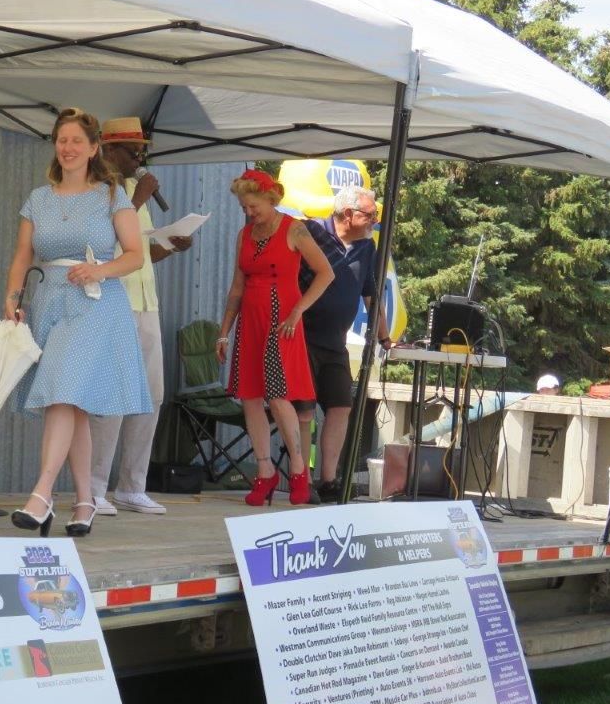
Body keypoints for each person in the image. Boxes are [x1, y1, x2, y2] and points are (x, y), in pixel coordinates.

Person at [3, 107, 152, 538]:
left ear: (92, 149)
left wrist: (99, 271)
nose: (67, 148)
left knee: (62, 393)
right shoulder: (38, 198)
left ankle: (42, 493)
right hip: (50, 300)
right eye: (61, 140)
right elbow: (21, 258)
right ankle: (85, 501)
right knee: (72, 406)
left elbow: (134, 255)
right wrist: (12, 301)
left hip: (95, 305)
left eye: (76, 141)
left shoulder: (111, 195)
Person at [88, 117, 193, 516]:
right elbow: (102, 241)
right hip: (114, 303)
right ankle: (94, 489)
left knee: (151, 396)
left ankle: (132, 486)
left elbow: (139, 253)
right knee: (111, 397)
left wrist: (171, 246)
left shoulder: (135, 191)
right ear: (109, 150)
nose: (140, 159)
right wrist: (138, 201)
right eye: (133, 152)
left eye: (142, 151)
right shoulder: (101, 190)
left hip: (146, 302)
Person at [216, 169, 334, 506]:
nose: (249, 213)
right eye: (244, 208)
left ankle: (298, 470)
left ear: (271, 199)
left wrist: (298, 311)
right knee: (250, 396)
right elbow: (237, 288)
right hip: (251, 319)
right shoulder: (245, 234)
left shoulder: (294, 229)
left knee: (278, 394)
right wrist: (224, 332)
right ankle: (265, 472)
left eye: (253, 206)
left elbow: (326, 273)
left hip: (281, 321)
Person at [294, 185, 391, 504]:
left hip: (335, 342)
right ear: (348, 214)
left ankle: (329, 479)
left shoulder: (367, 247)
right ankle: (300, 478)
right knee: (303, 410)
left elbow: (371, 293)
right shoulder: (311, 231)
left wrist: (384, 336)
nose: (375, 221)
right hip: (301, 337)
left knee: (340, 406)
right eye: (370, 215)